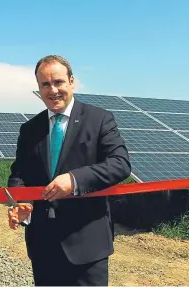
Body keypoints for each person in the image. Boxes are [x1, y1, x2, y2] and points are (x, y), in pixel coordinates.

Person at [7, 55, 131, 286]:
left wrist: (74, 180)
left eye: (58, 82)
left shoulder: (99, 119)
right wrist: (23, 203)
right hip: (43, 244)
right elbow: (19, 175)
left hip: (87, 244)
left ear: (72, 82)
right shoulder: (29, 129)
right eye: (45, 84)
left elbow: (120, 163)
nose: (52, 90)